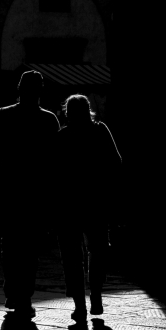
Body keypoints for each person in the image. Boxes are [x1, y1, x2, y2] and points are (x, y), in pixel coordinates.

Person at [0, 70, 59, 314]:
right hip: (36, 191)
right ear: (40, 90)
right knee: (30, 245)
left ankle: (13, 293)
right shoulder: (48, 119)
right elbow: (57, 161)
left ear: (19, 89)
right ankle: (24, 294)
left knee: (11, 243)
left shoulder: (3, 115)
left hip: (7, 188)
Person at [56, 93, 122, 318]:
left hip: (68, 204)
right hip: (96, 201)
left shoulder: (62, 136)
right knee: (98, 250)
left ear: (67, 112)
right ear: (88, 110)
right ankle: (96, 295)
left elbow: (52, 172)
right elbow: (116, 161)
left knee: (72, 256)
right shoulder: (100, 130)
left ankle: (79, 306)